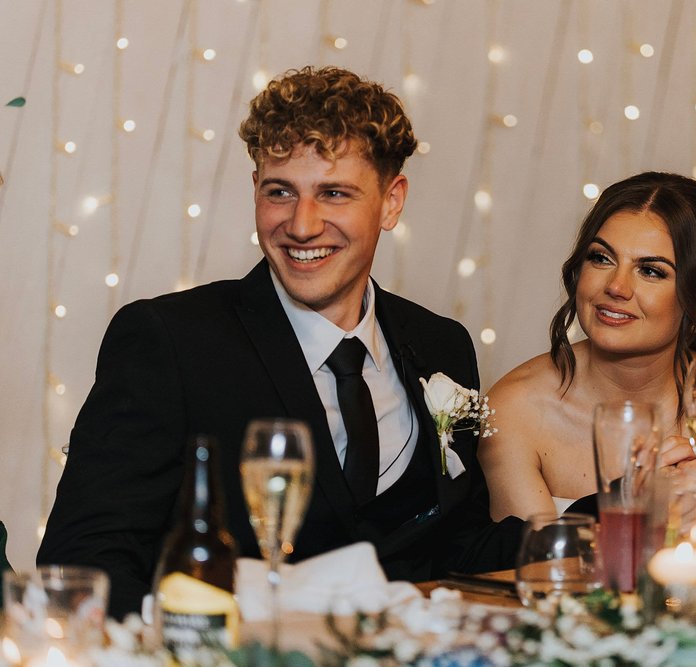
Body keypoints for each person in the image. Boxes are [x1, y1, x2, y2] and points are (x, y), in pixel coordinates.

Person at [37, 66, 521, 618]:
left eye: (333, 193)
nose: (302, 224)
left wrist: (599, 522)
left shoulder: (441, 345)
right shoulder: (169, 340)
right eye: (280, 192)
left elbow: (455, 547)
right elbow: (88, 560)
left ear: (391, 202)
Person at [479, 172, 696, 535]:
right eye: (601, 258)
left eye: (650, 271)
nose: (616, 287)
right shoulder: (514, 409)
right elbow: (527, 571)